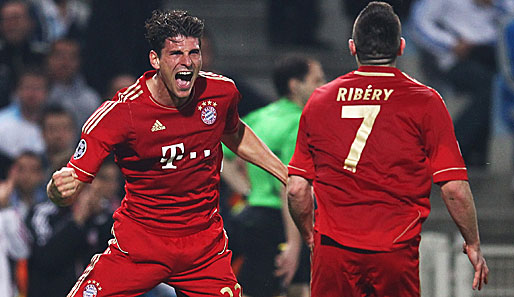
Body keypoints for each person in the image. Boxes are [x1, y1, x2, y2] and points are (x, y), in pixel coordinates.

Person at [46, 9, 287, 297]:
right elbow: (71, 179)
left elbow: (234, 132)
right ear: (155, 59)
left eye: (194, 52)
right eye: (175, 54)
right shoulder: (122, 113)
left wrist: (284, 172)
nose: (187, 62)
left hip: (203, 248)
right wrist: (56, 189)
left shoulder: (221, 93)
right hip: (140, 244)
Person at [286, 2, 489, 297]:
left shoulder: (320, 100)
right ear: (401, 47)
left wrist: (309, 236)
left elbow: (296, 189)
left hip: (334, 252)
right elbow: (454, 189)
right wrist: (472, 243)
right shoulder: (425, 101)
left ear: (353, 48)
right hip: (394, 250)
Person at [222, 54, 325, 297]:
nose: (323, 86)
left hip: (252, 215)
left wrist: (247, 190)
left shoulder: (259, 117)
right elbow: (290, 185)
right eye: (317, 80)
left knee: (293, 288)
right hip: (281, 220)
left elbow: (218, 154)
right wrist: (294, 244)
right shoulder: (300, 122)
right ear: (295, 85)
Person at [409, 0, 514, 167]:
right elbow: (419, 23)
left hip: (492, 52)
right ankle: (452, 148)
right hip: (453, 56)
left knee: (498, 84)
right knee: (488, 87)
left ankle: (474, 157)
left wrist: (492, 4)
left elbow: (510, 14)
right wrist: (450, 44)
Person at [0, 0, 47, 109]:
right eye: (6, 20)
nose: (11, 25)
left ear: (30, 22)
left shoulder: (43, 57)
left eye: (16, 18)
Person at [45, 38, 101, 128]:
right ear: (48, 59)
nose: (65, 63)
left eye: (71, 57)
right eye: (59, 56)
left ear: (79, 62)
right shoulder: (36, 93)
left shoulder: (90, 101)